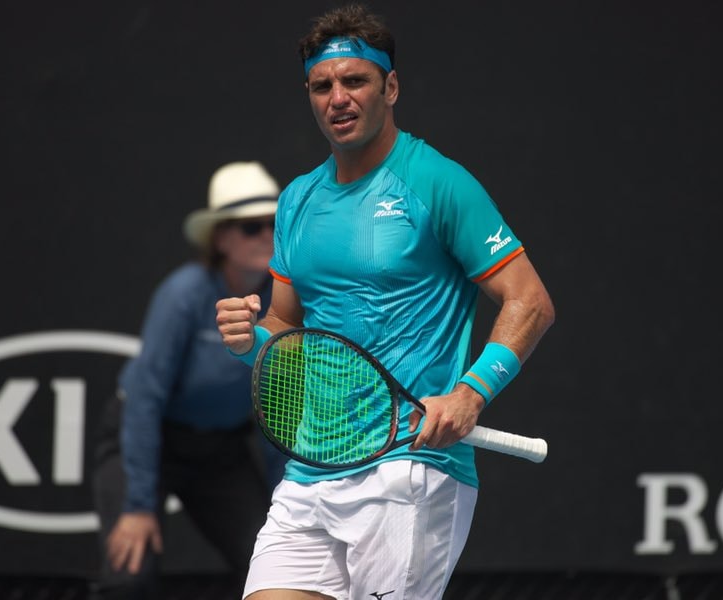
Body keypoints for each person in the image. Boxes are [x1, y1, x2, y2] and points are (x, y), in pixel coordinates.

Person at [215, 4, 555, 599]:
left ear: (390, 87)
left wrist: (470, 393)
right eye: (322, 86)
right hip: (310, 474)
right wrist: (251, 339)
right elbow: (285, 328)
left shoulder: (438, 183)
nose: (337, 98)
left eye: (355, 80)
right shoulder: (296, 200)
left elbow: (530, 301)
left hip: (409, 471)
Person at [90, 161, 287, 600]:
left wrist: (284, 499)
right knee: (129, 575)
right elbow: (145, 401)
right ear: (220, 238)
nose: (266, 236)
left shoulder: (285, 302)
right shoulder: (184, 294)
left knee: (273, 563)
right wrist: (139, 504)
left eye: (275, 224)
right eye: (251, 226)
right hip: (147, 441)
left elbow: (278, 408)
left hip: (221, 451)